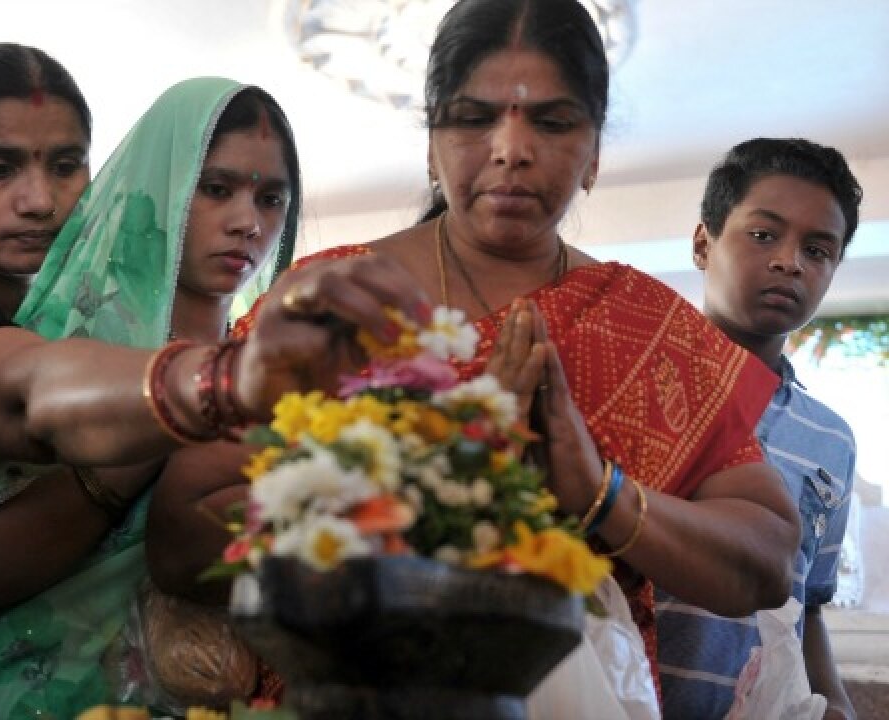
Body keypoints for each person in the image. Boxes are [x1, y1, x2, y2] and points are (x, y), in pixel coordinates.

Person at [147, 0, 800, 704]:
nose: (510, 150)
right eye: (473, 117)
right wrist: (422, 487)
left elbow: (766, 561)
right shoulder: (331, 297)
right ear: (431, 142)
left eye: (551, 122)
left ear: (595, 151)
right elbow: (179, 535)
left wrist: (597, 493)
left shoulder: (646, 322)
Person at [0, 43, 429, 635]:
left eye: (67, 165)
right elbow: (26, 394)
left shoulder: (77, 312)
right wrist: (221, 382)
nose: (40, 200)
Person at [0, 77, 300, 719]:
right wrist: (168, 420)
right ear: (160, 184)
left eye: (271, 197)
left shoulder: (282, 377)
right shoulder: (74, 339)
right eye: (216, 189)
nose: (248, 223)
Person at [656, 138, 860, 720]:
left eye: (818, 250)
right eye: (764, 235)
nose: (790, 261)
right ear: (703, 244)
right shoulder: (635, 386)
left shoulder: (831, 439)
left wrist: (837, 701)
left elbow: (808, 604)